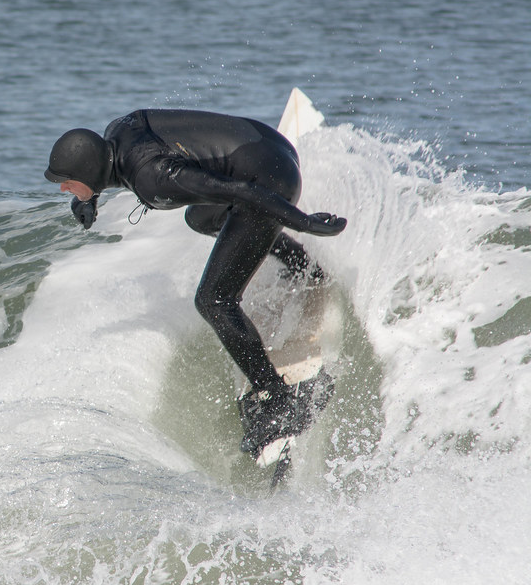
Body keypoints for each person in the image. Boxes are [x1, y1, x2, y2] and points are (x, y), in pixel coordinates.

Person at [43, 108, 347, 458]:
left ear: (89, 170)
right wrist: (88, 196)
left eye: (67, 181)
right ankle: (300, 263)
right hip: (271, 146)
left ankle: (277, 399)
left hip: (271, 180)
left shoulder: (153, 180)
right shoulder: (117, 132)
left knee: (214, 301)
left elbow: (242, 190)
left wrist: (304, 222)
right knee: (201, 217)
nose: (64, 188)